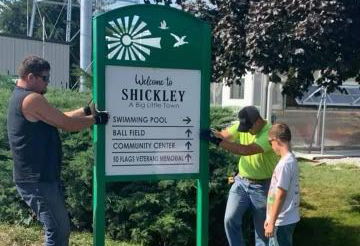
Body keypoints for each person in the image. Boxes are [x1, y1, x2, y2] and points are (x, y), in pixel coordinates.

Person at [7, 55, 109, 246]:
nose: (48, 83)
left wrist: (87, 111)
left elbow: (60, 117)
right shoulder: (31, 99)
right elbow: (66, 124)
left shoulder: (23, 97)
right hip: (37, 180)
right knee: (58, 230)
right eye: (45, 78)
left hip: (39, 179)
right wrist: (97, 120)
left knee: (58, 228)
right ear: (31, 77)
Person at [201, 106, 279, 246]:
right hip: (241, 182)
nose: (246, 130)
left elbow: (246, 150)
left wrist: (218, 142)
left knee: (262, 232)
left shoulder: (269, 133)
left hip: (263, 187)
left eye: (248, 128)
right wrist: (213, 134)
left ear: (257, 122)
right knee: (230, 219)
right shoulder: (244, 125)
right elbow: (223, 135)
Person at [264, 123, 300, 246]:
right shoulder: (291, 159)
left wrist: (272, 222)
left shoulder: (285, 164)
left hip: (281, 221)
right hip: (284, 218)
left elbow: (280, 194)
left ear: (276, 140)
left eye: (270, 143)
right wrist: (269, 218)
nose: (271, 147)